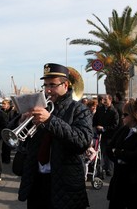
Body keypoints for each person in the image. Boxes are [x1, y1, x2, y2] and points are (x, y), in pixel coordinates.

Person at [18, 63, 93, 209]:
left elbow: (82, 142)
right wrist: (22, 122)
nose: (47, 90)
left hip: (65, 181)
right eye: (45, 85)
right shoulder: (40, 106)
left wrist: (50, 120)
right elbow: (22, 142)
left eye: (52, 85)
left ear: (65, 85)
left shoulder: (79, 110)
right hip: (37, 181)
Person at [106, 100, 137, 209]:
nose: (122, 117)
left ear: (134, 115)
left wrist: (119, 153)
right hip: (119, 183)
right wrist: (120, 157)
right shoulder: (123, 130)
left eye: (125, 114)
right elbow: (109, 148)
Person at [93, 94, 119, 176]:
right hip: (100, 135)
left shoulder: (114, 111)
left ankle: (109, 170)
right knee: (101, 152)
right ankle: (101, 169)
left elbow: (115, 125)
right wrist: (95, 126)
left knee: (109, 152)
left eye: (105, 99)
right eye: (103, 99)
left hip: (109, 135)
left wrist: (104, 128)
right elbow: (95, 119)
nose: (103, 101)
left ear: (110, 100)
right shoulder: (100, 109)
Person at [1, 99, 18, 163]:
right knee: (3, 147)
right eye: (2, 104)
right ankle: (3, 159)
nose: (3, 105)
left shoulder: (12, 112)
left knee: (7, 146)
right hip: (4, 130)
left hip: (9, 130)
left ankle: (7, 159)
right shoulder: (2, 111)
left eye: (4, 104)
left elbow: (12, 121)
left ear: (8, 105)